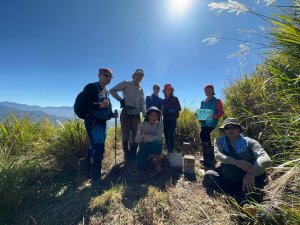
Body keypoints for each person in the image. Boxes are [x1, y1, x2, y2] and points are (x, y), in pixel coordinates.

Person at [203, 118, 272, 215]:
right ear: (224, 131)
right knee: (208, 176)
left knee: (252, 189)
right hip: (229, 173)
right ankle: (238, 193)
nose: (230, 130)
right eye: (227, 128)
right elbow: (218, 155)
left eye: (234, 127)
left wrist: (251, 173)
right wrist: (236, 162)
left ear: (239, 129)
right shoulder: (219, 140)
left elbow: (266, 159)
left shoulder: (249, 142)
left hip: (246, 175)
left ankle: (246, 203)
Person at [81, 68, 118, 183]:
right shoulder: (91, 87)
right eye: (106, 75)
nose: (108, 78)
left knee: (93, 146)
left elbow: (106, 109)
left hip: (102, 123)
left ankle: (89, 172)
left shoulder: (106, 92)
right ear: (99, 75)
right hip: (93, 122)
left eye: (110, 76)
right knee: (99, 148)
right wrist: (99, 105)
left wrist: (112, 114)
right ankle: (96, 178)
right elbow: (84, 104)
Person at [109, 69, 146, 162]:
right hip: (126, 112)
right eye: (138, 74)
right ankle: (127, 154)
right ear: (133, 75)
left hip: (136, 114)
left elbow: (143, 104)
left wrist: (145, 115)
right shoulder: (126, 83)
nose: (139, 76)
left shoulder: (141, 90)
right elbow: (112, 90)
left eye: (141, 75)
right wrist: (120, 100)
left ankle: (133, 154)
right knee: (125, 135)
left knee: (136, 136)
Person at [199, 84, 224, 167]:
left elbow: (221, 112)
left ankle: (208, 158)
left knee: (203, 134)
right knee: (205, 136)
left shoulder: (217, 101)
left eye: (209, 89)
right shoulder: (202, 102)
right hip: (204, 123)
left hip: (211, 122)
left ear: (213, 91)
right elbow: (201, 113)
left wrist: (215, 116)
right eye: (206, 90)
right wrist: (199, 117)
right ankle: (210, 158)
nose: (208, 91)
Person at [135, 106, 164, 172]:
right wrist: (140, 134)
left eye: (156, 115)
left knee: (157, 143)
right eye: (152, 115)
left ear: (158, 117)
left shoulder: (160, 124)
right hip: (144, 146)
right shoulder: (141, 125)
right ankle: (150, 157)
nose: (154, 117)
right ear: (148, 116)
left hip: (154, 145)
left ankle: (157, 164)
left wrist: (144, 137)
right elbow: (137, 140)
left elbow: (159, 138)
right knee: (139, 164)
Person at [161, 84, 181, 153]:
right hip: (165, 120)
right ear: (164, 91)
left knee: (171, 135)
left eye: (169, 89)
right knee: (166, 134)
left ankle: (171, 151)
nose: (168, 90)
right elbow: (161, 110)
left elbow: (178, 108)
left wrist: (170, 111)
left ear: (171, 90)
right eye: (166, 89)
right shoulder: (163, 100)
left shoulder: (175, 99)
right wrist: (163, 111)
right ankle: (168, 150)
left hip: (172, 119)